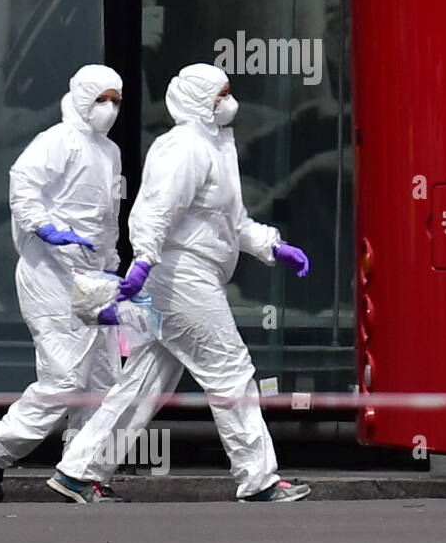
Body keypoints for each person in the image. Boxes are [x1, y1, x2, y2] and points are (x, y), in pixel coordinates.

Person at [49, 63, 312, 503]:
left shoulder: (214, 145)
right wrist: (145, 260)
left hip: (184, 275)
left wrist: (272, 246)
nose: (228, 102)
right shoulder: (184, 147)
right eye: (220, 94)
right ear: (198, 99)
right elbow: (156, 210)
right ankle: (259, 478)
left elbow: (227, 221)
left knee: (143, 382)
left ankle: (78, 471)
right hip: (180, 277)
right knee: (229, 369)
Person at [0, 65, 127, 503]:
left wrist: (112, 269)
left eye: (115, 101)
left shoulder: (109, 152)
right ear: (80, 98)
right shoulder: (56, 141)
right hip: (51, 275)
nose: (109, 109)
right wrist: (43, 226)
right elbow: (23, 186)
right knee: (65, 376)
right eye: (101, 100)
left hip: (92, 277)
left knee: (104, 382)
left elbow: (105, 218)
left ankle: (83, 472)